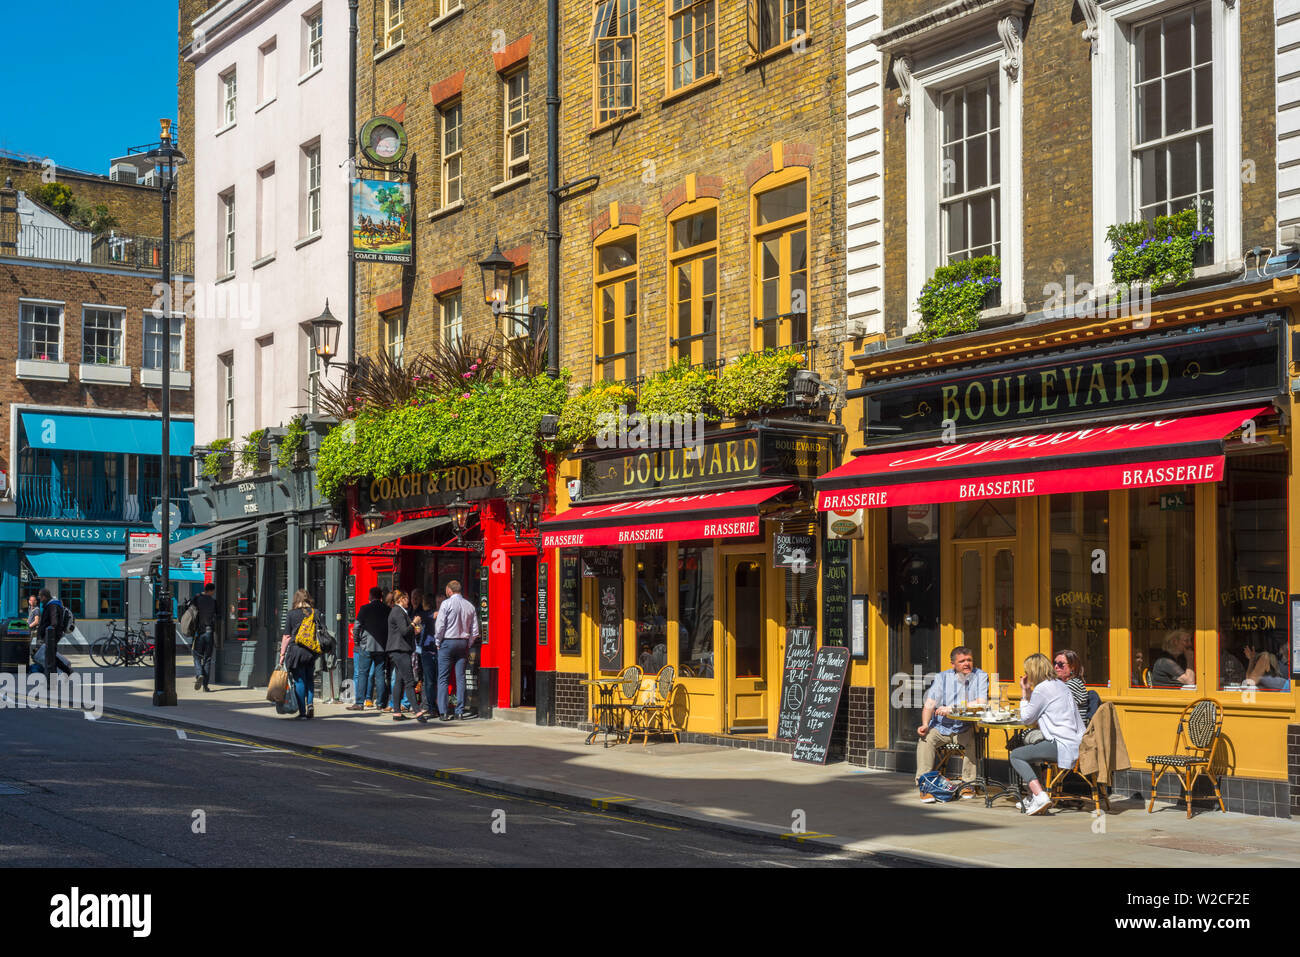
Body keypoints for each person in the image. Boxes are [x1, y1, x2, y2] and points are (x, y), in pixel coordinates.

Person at [1011, 652, 1086, 816]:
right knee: (1030, 749)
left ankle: (1039, 795)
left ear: (1033, 671)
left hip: (1062, 744)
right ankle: (1033, 796)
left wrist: (1024, 693)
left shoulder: (1042, 689)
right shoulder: (1059, 685)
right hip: (1076, 741)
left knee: (1016, 755)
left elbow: (1026, 718)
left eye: (1027, 671)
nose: (1026, 675)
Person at [915, 646, 987, 803]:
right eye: (962, 661)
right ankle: (925, 785)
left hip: (964, 727)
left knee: (972, 741)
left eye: (969, 660)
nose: (967, 663)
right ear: (953, 664)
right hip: (942, 727)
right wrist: (925, 724)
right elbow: (929, 704)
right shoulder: (942, 678)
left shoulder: (980, 676)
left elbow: (981, 702)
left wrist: (952, 708)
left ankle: (968, 784)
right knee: (925, 739)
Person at [432, 579, 478, 721]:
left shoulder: (446, 604)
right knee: (460, 678)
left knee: (443, 678)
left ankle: (444, 712)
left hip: (448, 642)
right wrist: (468, 643)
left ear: (449, 590)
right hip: (462, 643)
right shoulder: (469, 605)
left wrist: (438, 642)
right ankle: (459, 711)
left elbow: (440, 626)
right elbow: (475, 631)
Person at [347, 587, 390, 711]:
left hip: (366, 646)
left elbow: (356, 627)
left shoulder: (365, 608)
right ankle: (381, 703)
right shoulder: (387, 609)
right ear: (381, 596)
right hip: (382, 647)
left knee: (362, 674)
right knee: (380, 674)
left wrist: (357, 641)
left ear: (370, 596)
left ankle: (360, 703)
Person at [282, 589, 321, 719]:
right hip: (311, 651)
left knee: (299, 681)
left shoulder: (292, 614)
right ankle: (310, 704)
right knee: (310, 679)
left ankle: (302, 712)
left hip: (296, 651)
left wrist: (282, 654)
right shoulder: (315, 612)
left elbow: (287, 636)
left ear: (296, 599)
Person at [386, 589, 417, 720]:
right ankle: (418, 710)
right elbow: (404, 631)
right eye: (407, 599)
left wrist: (414, 630)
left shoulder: (399, 611)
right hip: (399, 651)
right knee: (409, 681)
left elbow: (403, 631)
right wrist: (414, 622)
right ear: (401, 600)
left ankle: (397, 712)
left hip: (399, 649)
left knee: (399, 681)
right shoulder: (398, 611)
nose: (408, 601)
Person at [413, 589, 439, 720]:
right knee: (438, 680)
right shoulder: (437, 614)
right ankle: (438, 706)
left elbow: (416, 630)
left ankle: (431, 707)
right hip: (438, 649)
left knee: (429, 681)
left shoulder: (422, 615)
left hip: (426, 650)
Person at [189, 583, 218, 692]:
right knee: (207, 659)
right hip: (210, 633)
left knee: (196, 656)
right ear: (211, 591)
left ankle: (199, 673)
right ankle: (205, 686)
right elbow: (218, 615)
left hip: (199, 633)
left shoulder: (197, 598)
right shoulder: (213, 601)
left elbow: (190, 611)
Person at [37, 588, 68, 680]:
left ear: (44, 596)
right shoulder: (51, 604)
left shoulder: (52, 605)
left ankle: (54, 677)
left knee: (50, 657)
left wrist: (49, 631)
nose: (40, 599)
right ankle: (66, 671)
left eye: (40, 597)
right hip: (51, 635)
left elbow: (54, 622)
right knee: (51, 656)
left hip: (52, 635)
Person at [1053, 649, 1089, 725]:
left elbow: (1054, 710)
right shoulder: (1064, 684)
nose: (1056, 667)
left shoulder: (1072, 685)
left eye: (1060, 664)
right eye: (1055, 663)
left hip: (1071, 732)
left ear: (1072, 667)